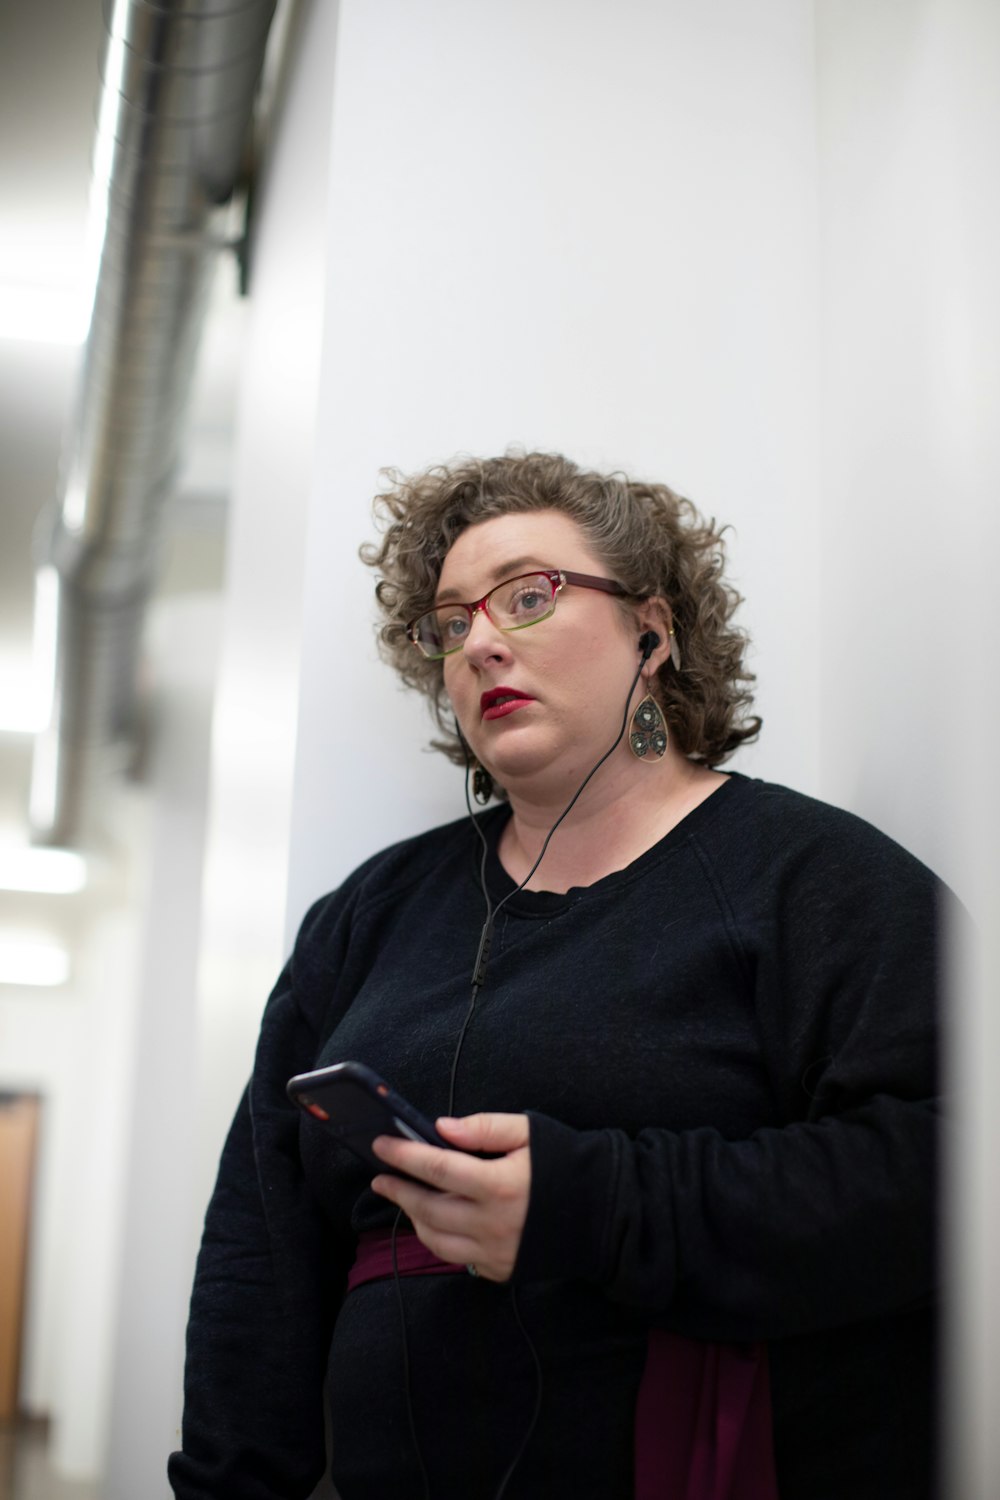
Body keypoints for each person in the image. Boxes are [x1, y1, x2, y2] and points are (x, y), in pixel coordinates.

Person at [168, 451, 944, 1500]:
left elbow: (939, 1176)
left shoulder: (813, 880)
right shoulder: (370, 914)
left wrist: (595, 1204)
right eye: (450, 623)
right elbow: (258, 1256)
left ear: (651, 631)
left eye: (528, 596)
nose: (480, 641)